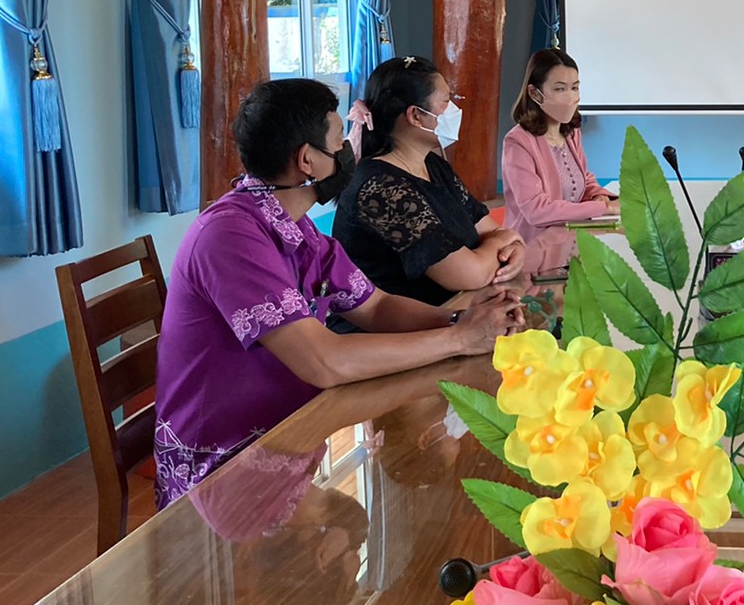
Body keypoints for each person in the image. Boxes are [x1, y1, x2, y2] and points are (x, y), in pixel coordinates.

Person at [155, 78, 523, 508]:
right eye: (339, 142)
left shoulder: (299, 230)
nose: (349, 150)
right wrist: (458, 339)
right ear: (307, 160)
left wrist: (462, 320)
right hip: (225, 468)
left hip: (296, 434)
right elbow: (324, 361)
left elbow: (377, 307)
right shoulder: (230, 237)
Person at [334, 56, 529, 308]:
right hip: (404, 326)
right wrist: (504, 243)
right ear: (416, 115)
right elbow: (469, 274)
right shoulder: (381, 188)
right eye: (446, 101)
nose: (454, 110)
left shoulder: (433, 164)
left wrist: (512, 247)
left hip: (455, 312)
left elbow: (492, 230)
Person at [501, 48, 618, 242]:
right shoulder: (518, 142)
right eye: (560, 89)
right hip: (534, 245)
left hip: (573, 238)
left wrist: (597, 195)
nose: (571, 97)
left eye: (575, 88)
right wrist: (603, 208)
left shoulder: (571, 132)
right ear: (535, 93)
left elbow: (582, 177)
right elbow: (536, 211)